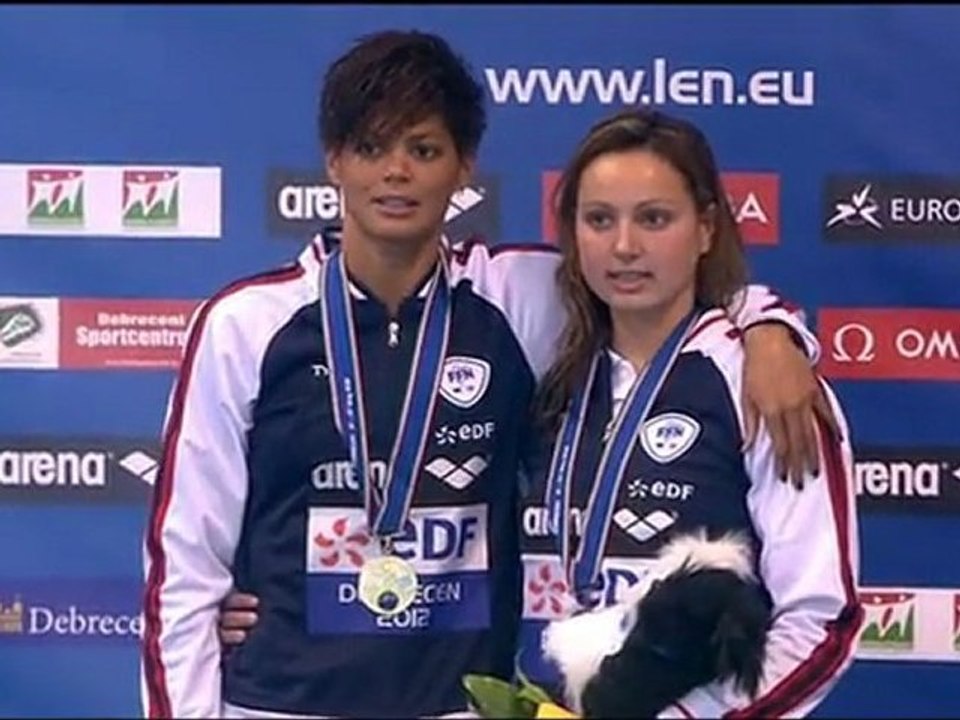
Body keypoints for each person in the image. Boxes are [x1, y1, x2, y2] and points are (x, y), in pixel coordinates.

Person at [143, 30, 833, 720]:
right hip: (276, 705)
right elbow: (184, 567)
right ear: (333, 162)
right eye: (371, 148)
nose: (396, 172)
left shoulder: (518, 298)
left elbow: (660, 290)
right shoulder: (244, 325)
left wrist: (772, 329)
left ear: (464, 166)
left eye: (423, 149)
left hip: (464, 705)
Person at [510, 108, 863, 717]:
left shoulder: (760, 385)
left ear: (705, 229)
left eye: (654, 219)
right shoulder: (550, 372)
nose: (624, 246)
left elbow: (820, 622)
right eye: (599, 220)